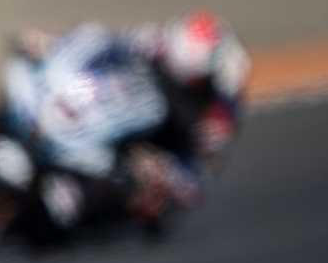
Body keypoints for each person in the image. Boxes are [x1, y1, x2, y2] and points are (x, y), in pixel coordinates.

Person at [14, 12, 249, 224]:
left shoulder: (215, 112)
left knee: (143, 184)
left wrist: (168, 171)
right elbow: (110, 41)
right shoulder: (159, 41)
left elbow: (197, 171)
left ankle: (84, 199)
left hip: (148, 145)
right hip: (110, 99)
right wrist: (56, 43)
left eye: (188, 77)